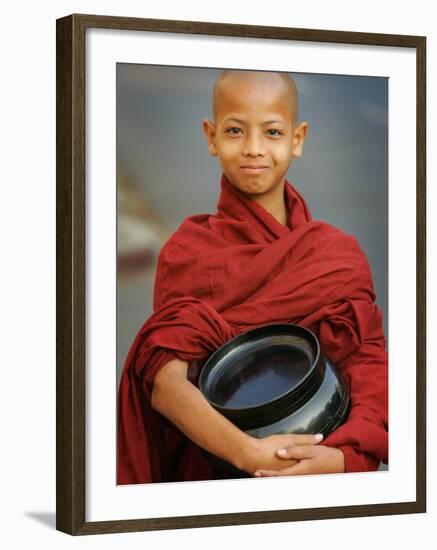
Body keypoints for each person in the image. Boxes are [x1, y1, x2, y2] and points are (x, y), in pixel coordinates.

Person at [117, 70, 388, 484]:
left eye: (273, 132)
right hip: (217, 470)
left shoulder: (335, 255)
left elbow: (367, 362)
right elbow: (165, 384)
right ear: (211, 137)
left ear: (297, 140)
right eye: (235, 130)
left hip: (322, 464)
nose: (254, 148)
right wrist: (249, 454)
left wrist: (347, 459)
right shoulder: (188, 253)